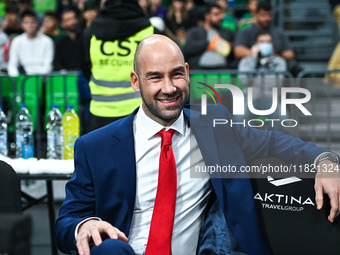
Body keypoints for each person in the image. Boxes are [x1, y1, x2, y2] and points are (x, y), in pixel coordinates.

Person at [55, 34, 340, 255]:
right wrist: (84, 224)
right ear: (135, 81)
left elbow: (275, 143)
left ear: (188, 73)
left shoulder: (214, 126)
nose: (169, 87)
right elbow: (66, 222)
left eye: (177, 74)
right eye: (155, 77)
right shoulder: (95, 146)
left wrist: (326, 161)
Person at [80, 0, 155, 133]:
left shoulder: (90, 32)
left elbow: (85, 69)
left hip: (99, 113)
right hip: (138, 111)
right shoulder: (150, 31)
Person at [234, 2, 302, 76]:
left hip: (274, 66)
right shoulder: (246, 31)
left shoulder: (278, 32)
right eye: (263, 15)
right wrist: (256, 53)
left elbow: (290, 53)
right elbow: (238, 51)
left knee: (294, 66)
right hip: (254, 65)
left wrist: (275, 54)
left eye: (269, 15)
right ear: (256, 14)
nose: (267, 18)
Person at [237, 29, 287, 124]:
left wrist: (255, 80)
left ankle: (269, 139)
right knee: (239, 118)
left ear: (272, 44)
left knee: (282, 117)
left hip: (272, 100)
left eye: (268, 42)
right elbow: (245, 81)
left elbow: (276, 83)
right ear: (255, 44)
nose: (265, 45)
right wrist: (253, 58)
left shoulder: (279, 62)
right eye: (262, 42)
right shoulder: (246, 61)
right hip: (250, 100)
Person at [183, 3, 234, 70]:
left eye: (221, 14)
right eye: (216, 14)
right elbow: (188, 48)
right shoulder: (194, 31)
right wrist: (209, 43)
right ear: (207, 16)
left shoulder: (227, 32)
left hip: (223, 70)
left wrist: (230, 47)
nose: (220, 17)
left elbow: (235, 48)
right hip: (199, 70)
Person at [7, 9, 54, 76]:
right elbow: (12, 64)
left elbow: (48, 66)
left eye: (32, 22)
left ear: (37, 24)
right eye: (26, 22)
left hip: (42, 78)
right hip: (22, 78)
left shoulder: (47, 41)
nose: (30, 25)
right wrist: (17, 79)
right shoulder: (16, 41)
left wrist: (36, 79)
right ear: (22, 25)